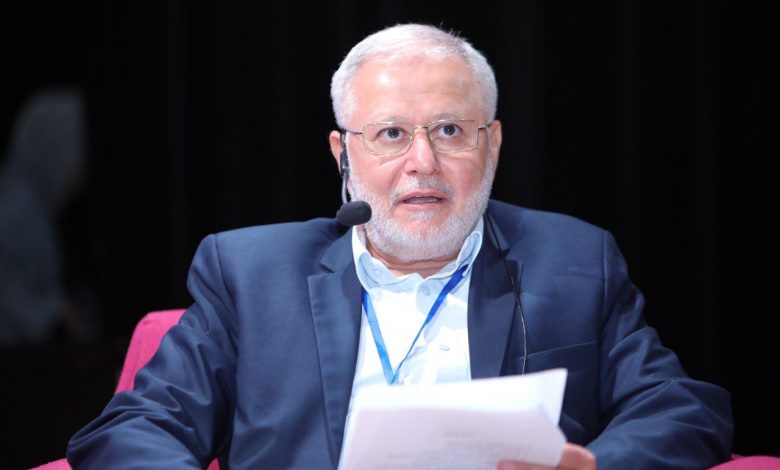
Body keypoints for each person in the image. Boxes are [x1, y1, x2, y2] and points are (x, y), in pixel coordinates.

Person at [68, 24, 732, 469]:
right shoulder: (251, 274)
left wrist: (597, 467)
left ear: (493, 145)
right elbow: (134, 428)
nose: (423, 162)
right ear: (343, 154)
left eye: (450, 130)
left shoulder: (573, 261)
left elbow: (682, 409)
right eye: (390, 134)